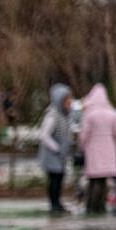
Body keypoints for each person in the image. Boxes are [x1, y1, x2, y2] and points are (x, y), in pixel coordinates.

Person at [78, 83, 116, 214]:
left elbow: (84, 134)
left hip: (93, 151)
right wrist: (115, 144)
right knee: (103, 179)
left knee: (94, 179)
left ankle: (91, 206)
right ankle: (101, 206)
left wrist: (81, 146)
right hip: (109, 150)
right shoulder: (112, 113)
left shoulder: (89, 114)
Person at [37, 83, 73, 215]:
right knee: (54, 179)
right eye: (67, 99)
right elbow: (44, 135)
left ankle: (58, 202)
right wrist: (56, 148)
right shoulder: (53, 115)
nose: (70, 102)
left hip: (60, 154)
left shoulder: (65, 114)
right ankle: (54, 204)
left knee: (59, 178)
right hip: (52, 154)